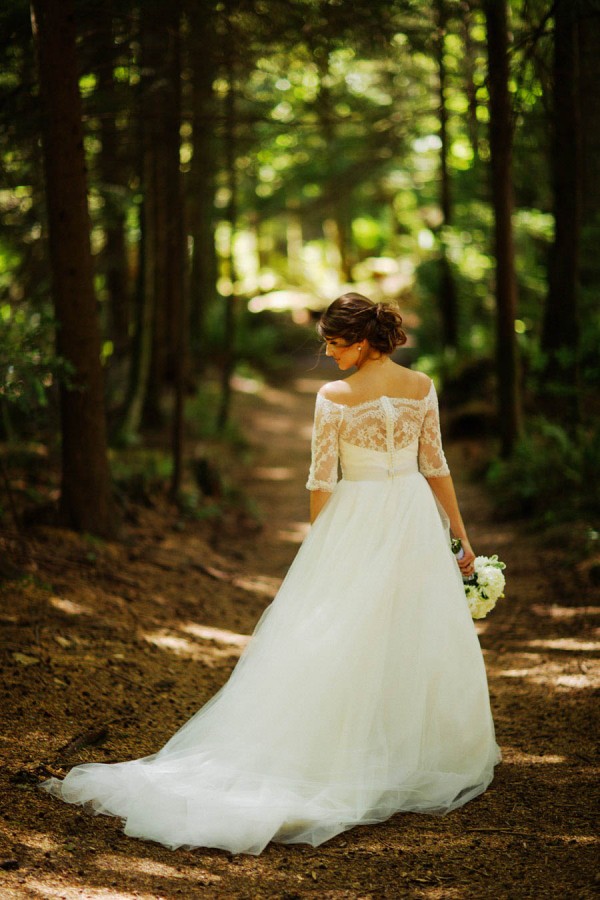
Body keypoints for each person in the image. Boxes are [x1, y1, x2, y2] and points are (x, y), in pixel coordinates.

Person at [41, 292, 500, 855]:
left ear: (361, 340)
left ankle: (367, 752)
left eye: (334, 343)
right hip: (410, 517)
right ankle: (406, 753)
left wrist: (322, 547)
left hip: (358, 518)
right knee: (408, 628)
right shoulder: (421, 386)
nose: (329, 355)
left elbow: (321, 481)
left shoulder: (334, 396)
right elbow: (435, 467)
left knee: (350, 633)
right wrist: (459, 536)